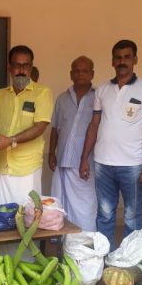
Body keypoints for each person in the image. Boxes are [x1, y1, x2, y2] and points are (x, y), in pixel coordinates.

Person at [79, 40, 142, 250]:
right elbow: (94, 124)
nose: (122, 61)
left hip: (133, 165)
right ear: (112, 61)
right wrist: (84, 159)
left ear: (135, 60)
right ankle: (105, 260)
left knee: (133, 217)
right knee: (104, 215)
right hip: (103, 163)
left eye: (127, 57)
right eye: (118, 57)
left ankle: (128, 262)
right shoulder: (102, 90)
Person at [0, 45, 53, 258]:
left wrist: (10, 141)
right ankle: (2, 264)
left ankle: (26, 266)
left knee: (27, 220)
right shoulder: (0, 95)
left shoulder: (43, 93)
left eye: (26, 65)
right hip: (2, 168)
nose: (21, 70)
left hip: (27, 170)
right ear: (9, 67)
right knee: (1, 220)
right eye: (17, 65)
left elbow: (40, 127)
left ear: (31, 67)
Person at [49, 56, 97, 231]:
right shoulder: (62, 98)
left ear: (92, 73)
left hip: (85, 164)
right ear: (71, 74)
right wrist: (51, 152)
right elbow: (55, 127)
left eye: (85, 71)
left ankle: (85, 241)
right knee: (61, 205)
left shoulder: (98, 98)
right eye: (76, 71)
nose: (80, 74)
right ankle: (65, 242)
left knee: (85, 206)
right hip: (63, 161)